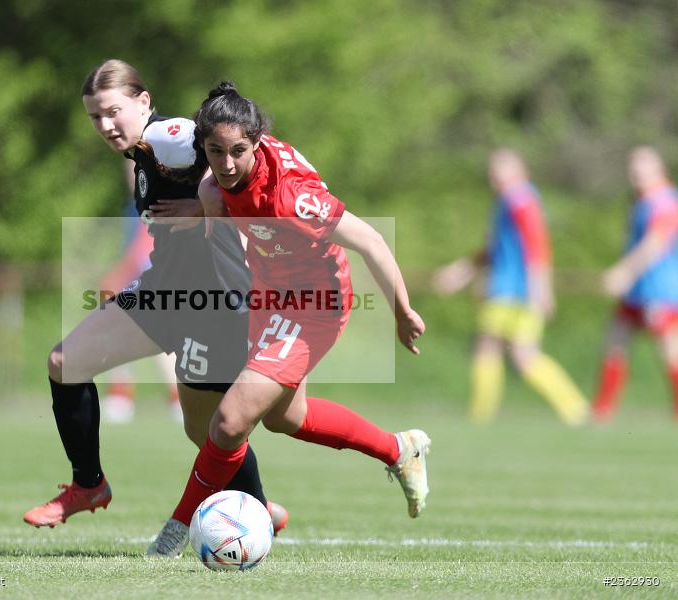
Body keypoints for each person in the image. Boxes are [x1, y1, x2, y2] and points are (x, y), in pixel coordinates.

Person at [147, 82, 430, 559]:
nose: (228, 162)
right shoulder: (213, 187)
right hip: (269, 295)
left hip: (315, 302)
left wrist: (402, 311)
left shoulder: (292, 199)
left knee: (231, 420)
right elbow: (231, 230)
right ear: (204, 148)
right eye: (216, 151)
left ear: (257, 143)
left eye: (239, 150)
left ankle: (174, 532)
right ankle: (400, 450)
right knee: (286, 417)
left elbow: (372, 242)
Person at [23, 61, 288, 533]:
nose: (105, 125)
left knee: (214, 426)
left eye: (113, 111)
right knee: (65, 363)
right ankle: (89, 485)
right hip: (164, 291)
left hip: (212, 304)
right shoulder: (143, 152)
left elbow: (251, 167)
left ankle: (259, 506)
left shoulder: (171, 136)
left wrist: (207, 207)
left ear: (143, 102)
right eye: (94, 117)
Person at [433, 149, 587, 426]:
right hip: (509, 289)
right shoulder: (508, 200)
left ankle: (482, 416)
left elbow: (536, 243)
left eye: (501, 168)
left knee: (497, 349)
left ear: (519, 169)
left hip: (512, 290)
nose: (494, 174)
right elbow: (496, 250)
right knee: (516, 353)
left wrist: (541, 286)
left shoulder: (519, 198)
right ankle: (574, 409)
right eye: (492, 169)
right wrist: (463, 270)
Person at [592, 146, 678, 422]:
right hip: (636, 292)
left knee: (670, 351)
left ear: (659, 169)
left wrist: (623, 272)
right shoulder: (641, 201)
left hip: (661, 290)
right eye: (633, 169)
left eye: (643, 168)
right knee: (614, 343)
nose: (636, 174)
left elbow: (655, 244)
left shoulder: (664, 201)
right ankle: (602, 411)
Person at [98, 201, 181, 424]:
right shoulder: (133, 206)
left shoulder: (158, 200)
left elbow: (144, 252)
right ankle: (121, 393)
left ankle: (176, 397)